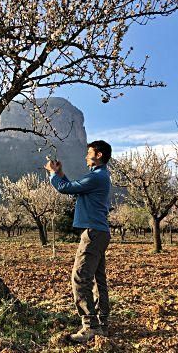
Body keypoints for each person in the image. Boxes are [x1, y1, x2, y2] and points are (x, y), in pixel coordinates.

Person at [44, 140, 112, 343]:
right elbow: (74, 186)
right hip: (100, 232)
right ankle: (102, 324)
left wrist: (53, 174)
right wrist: (61, 173)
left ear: (98, 155)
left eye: (89, 152)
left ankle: (90, 328)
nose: (85, 155)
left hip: (92, 234)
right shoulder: (101, 176)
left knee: (80, 278)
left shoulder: (96, 177)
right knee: (98, 280)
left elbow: (66, 188)